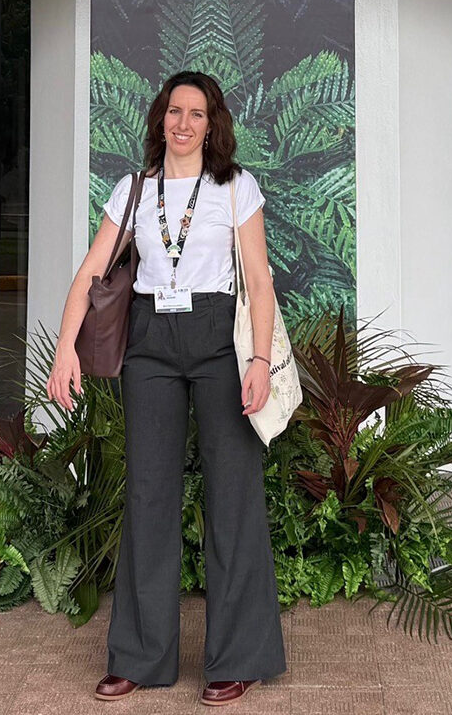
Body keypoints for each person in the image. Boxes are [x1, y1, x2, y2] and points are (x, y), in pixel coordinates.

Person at [47, 70, 287, 706]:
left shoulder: (235, 189)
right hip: (150, 344)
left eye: (197, 114)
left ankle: (236, 658)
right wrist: (65, 351)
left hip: (217, 341)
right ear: (160, 119)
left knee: (232, 495)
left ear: (213, 126)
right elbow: (92, 271)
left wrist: (259, 360)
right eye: (175, 111)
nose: (184, 123)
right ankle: (139, 657)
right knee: (150, 494)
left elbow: (259, 284)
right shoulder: (133, 190)